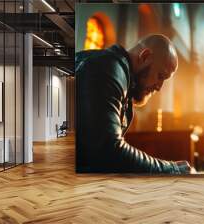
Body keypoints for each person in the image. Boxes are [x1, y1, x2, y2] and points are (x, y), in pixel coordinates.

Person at [75, 34, 194, 174]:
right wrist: (173, 170)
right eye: (160, 76)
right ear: (144, 57)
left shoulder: (121, 78)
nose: (159, 87)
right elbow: (108, 151)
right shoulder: (107, 68)